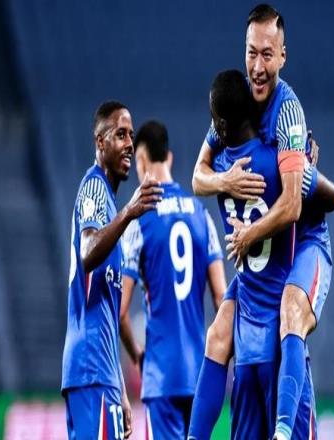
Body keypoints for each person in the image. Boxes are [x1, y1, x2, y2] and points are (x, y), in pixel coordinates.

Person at [189, 5, 334, 440]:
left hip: (303, 240)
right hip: (263, 253)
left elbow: (293, 205)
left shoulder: (288, 113)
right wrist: (226, 181)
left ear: (283, 57)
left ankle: (283, 431)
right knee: (219, 332)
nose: (257, 66)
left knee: (291, 309)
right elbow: (198, 176)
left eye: (267, 55)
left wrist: (246, 236)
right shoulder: (235, 105)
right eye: (251, 53)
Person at [119, 120, 226, 439]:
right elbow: (222, 299)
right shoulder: (202, 216)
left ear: (140, 160)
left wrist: (137, 353)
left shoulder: (139, 220)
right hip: (200, 374)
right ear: (169, 158)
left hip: (162, 375)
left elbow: (120, 311)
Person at [61, 101, 162, 439]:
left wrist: (120, 387)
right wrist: (130, 212)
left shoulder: (110, 212)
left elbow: (108, 316)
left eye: (131, 135)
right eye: (121, 134)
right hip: (89, 368)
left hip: (102, 373)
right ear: (100, 142)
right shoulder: (93, 187)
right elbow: (87, 252)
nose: (130, 143)